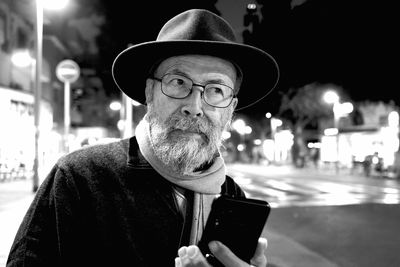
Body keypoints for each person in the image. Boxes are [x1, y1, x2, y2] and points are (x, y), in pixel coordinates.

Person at [7, 9, 279, 267]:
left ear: (230, 108)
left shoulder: (231, 197)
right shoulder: (80, 179)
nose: (194, 106)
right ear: (150, 91)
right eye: (178, 82)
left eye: (216, 90)